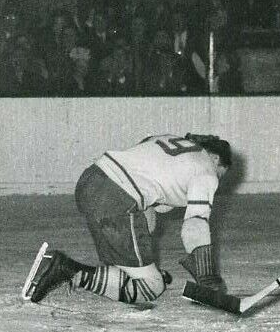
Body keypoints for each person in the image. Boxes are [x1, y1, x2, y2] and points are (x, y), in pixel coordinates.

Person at [22, 132, 234, 310]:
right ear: (216, 158)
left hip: (91, 180)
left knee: (129, 268)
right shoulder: (206, 169)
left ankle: (135, 269)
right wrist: (207, 277)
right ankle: (68, 269)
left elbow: (150, 208)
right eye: (221, 174)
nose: (217, 181)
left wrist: (144, 258)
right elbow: (195, 223)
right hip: (117, 198)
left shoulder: (168, 140)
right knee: (151, 287)